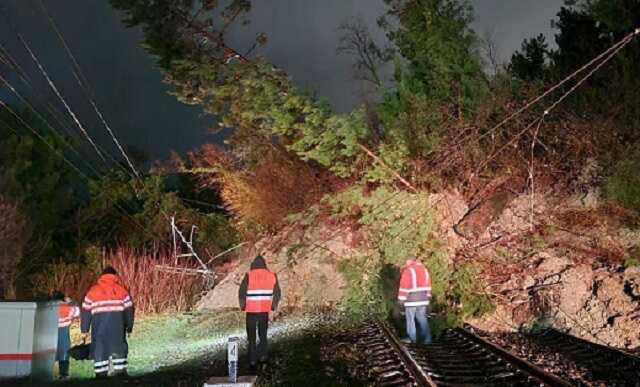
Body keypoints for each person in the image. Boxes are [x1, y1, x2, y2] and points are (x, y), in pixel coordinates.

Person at [81, 266, 134, 378]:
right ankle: (120, 372)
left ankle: (100, 373)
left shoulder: (93, 291)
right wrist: (129, 326)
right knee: (119, 347)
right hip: (117, 328)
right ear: (115, 276)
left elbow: (85, 311)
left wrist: (84, 329)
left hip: (99, 329)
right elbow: (129, 310)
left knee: (100, 348)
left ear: (102, 276)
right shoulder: (122, 291)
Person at [238, 255, 281, 370]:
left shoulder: (248, 275)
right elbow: (277, 293)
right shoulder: (272, 276)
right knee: (263, 335)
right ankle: (263, 356)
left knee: (251, 337)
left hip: (251, 311)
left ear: (253, 265)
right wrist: (273, 306)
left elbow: (241, 292)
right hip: (264, 311)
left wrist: (242, 306)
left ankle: (252, 360)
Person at [397, 256, 432, 344]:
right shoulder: (424, 269)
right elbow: (428, 284)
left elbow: (404, 286)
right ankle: (427, 338)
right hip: (423, 299)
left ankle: (412, 338)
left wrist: (401, 299)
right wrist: (428, 296)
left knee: (410, 319)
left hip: (411, 299)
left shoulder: (408, 270)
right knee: (422, 318)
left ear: (409, 261)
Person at [52, 291, 79, 380]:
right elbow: (77, 312)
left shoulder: (51, 308)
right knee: (64, 354)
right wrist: (70, 302)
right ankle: (64, 374)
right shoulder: (67, 307)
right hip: (64, 334)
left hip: (51, 334)